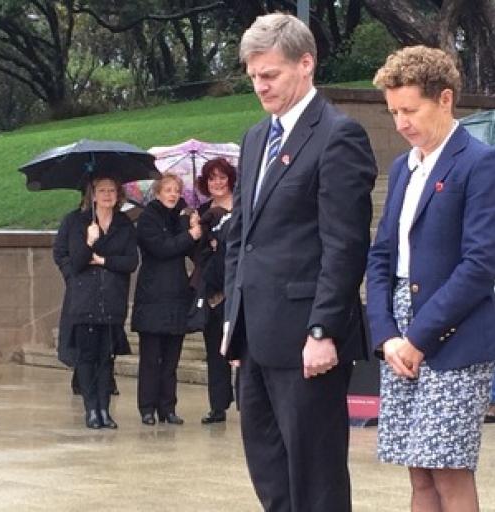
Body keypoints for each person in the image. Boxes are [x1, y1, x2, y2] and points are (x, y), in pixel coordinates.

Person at [220, 13, 377, 512]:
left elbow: (345, 244)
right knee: (269, 474)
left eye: (270, 75)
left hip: (307, 340)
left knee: (316, 481)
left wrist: (323, 330)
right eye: (253, 77)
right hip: (256, 335)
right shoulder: (253, 139)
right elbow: (240, 237)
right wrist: (233, 321)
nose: (259, 87)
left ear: (305, 64)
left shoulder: (338, 136)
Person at [366, 46, 495, 512]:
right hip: (399, 332)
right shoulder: (403, 166)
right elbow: (381, 254)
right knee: (418, 473)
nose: (400, 122)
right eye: (393, 111)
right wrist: (385, 334)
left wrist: (418, 337)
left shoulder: (479, 163)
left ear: (444, 99)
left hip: (452, 336)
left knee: (448, 471)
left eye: (409, 110)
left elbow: (481, 265)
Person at [54, 175, 138, 429]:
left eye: (112, 190)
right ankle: (91, 409)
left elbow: (130, 262)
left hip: (112, 299)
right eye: (101, 190)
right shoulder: (75, 222)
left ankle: (105, 409)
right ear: (92, 194)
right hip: (83, 299)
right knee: (88, 356)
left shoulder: (124, 224)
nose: (107, 195)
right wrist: (88, 241)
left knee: (106, 357)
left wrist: (103, 261)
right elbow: (66, 257)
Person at [131, 173, 201, 426]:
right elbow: (162, 248)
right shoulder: (148, 218)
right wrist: (189, 236)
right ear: (158, 193)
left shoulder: (182, 217)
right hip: (153, 295)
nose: (173, 194)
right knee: (151, 358)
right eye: (168, 189)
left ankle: (168, 407)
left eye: (177, 190)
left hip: (177, 295)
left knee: (172, 358)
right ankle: (147, 407)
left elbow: (193, 252)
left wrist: (194, 228)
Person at [194, 158, 236, 424]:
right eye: (211, 178)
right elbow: (195, 254)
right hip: (214, 289)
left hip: (242, 283)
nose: (217, 183)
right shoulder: (202, 212)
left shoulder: (245, 204)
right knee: (215, 349)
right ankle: (218, 405)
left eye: (221, 177)